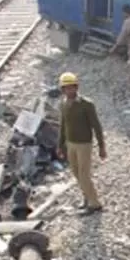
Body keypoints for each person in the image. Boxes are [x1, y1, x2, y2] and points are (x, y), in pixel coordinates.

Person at [56, 73, 106, 215]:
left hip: (84, 144)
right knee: (76, 173)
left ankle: (94, 204)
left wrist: (102, 146)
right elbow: (63, 125)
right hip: (70, 144)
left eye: (72, 87)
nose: (69, 90)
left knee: (84, 174)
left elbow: (97, 126)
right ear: (62, 89)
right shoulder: (63, 104)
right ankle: (87, 197)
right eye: (66, 88)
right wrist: (60, 145)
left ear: (76, 87)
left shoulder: (86, 104)